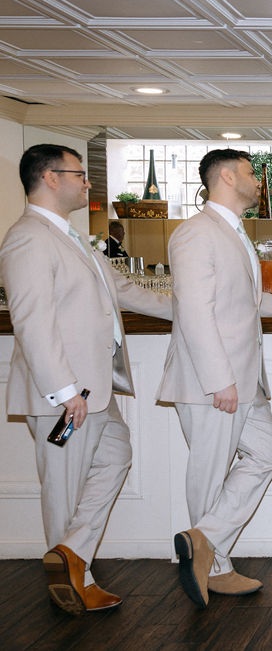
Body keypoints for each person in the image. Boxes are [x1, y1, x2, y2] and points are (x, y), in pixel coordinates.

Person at [0, 144, 171, 614]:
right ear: (50, 178)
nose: (89, 182)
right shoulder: (28, 238)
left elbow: (128, 291)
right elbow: (31, 321)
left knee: (116, 455)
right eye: (79, 174)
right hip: (65, 395)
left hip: (95, 390)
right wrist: (64, 392)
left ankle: (70, 554)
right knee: (63, 486)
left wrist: (197, 310)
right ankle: (73, 581)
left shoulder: (73, 237)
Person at [157, 148, 272, 608]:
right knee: (209, 471)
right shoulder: (195, 233)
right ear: (224, 176)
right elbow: (195, 313)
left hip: (243, 381)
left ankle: (204, 541)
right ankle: (214, 567)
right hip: (213, 382)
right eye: (248, 173)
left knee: (267, 452)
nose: (258, 182)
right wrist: (219, 380)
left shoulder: (233, 231)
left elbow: (254, 304)